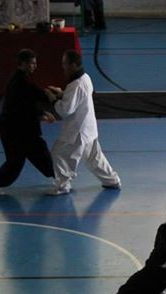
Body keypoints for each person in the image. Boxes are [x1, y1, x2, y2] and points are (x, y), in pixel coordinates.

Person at [44, 50, 120, 195]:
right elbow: (78, 98)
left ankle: (62, 185)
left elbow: (65, 110)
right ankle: (112, 180)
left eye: (65, 64)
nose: (63, 68)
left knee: (59, 154)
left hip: (78, 132)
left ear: (73, 65)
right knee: (94, 158)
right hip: (89, 128)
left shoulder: (76, 85)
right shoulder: (85, 78)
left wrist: (53, 99)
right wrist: (62, 94)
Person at [0, 49, 56, 196]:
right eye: (31, 63)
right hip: (12, 130)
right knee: (16, 161)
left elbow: (31, 100)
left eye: (35, 63)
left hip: (24, 128)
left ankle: (59, 178)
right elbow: (24, 105)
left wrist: (42, 112)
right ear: (22, 64)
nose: (34, 66)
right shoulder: (18, 83)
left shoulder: (23, 80)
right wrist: (43, 112)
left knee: (40, 154)